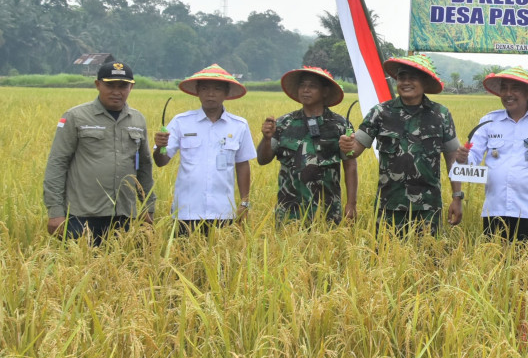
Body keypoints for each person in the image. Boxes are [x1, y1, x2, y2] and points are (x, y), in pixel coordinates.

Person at [339, 54, 464, 236]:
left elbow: (452, 158)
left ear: (425, 83)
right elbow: (354, 150)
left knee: (429, 260)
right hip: (389, 207)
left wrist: (457, 197)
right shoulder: (380, 113)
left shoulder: (441, 115)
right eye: (402, 77)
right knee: (385, 259)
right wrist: (346, 145)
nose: (406, 82)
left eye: (412, 78)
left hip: (428, 207)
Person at [454, 66, 528, 247]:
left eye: (515, 88)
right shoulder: (488, 122)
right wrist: (463, 159)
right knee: (494, 266)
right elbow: (473, 159)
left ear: (527, 92)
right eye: (504, 88)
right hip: (495, 210)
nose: (508, 94)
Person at [43, 60, 155, 244]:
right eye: (110, 85)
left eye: (123, 86)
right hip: (82, 215)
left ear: (131, 87)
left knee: (122, 269)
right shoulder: (76, 117)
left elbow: (144, 165)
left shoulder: (137, 119)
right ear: (98, 85)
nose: (117, 91)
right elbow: (57, 163)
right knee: (79, 269)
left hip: (124, 214)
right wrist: (55, 212)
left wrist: (148, 206)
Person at [153, 64, 257, 235]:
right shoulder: (181, 122)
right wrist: (160, 148)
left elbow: (242, 164)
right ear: (198, 92)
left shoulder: (239, 125)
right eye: (205, 89)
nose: (211, 94)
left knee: (222, 259)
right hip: (186, 211)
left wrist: (244, 203)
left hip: (223, 211)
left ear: (226, 93)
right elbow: (161, 161)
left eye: (217, 89)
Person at [257, 66, 357, 225]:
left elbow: (350, 164)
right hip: (289, 211)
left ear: (324, 91)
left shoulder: (339, 125)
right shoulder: (284, 123)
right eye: (302, 86)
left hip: (328, 211)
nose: (306, 90)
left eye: (312, 86)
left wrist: (351, 204)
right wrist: (267, 139)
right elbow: (263, 159)